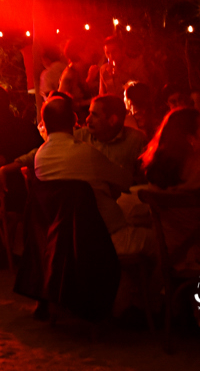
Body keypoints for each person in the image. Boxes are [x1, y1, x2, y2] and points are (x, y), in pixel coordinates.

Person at [34, 95, 144, 256]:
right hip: (107, 234)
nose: (88, 119)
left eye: (94, 114)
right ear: (73, 120)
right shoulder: (87, 152)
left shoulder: (40, 157)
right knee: (160, 239)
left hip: (65, 237)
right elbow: (126, 181)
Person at [75, 95, 147, 181]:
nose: (88, 119)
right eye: (89, 113)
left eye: (94, 115)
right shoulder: (79, 137)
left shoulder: (136, 140)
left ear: (112, 120)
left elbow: (144, 177)